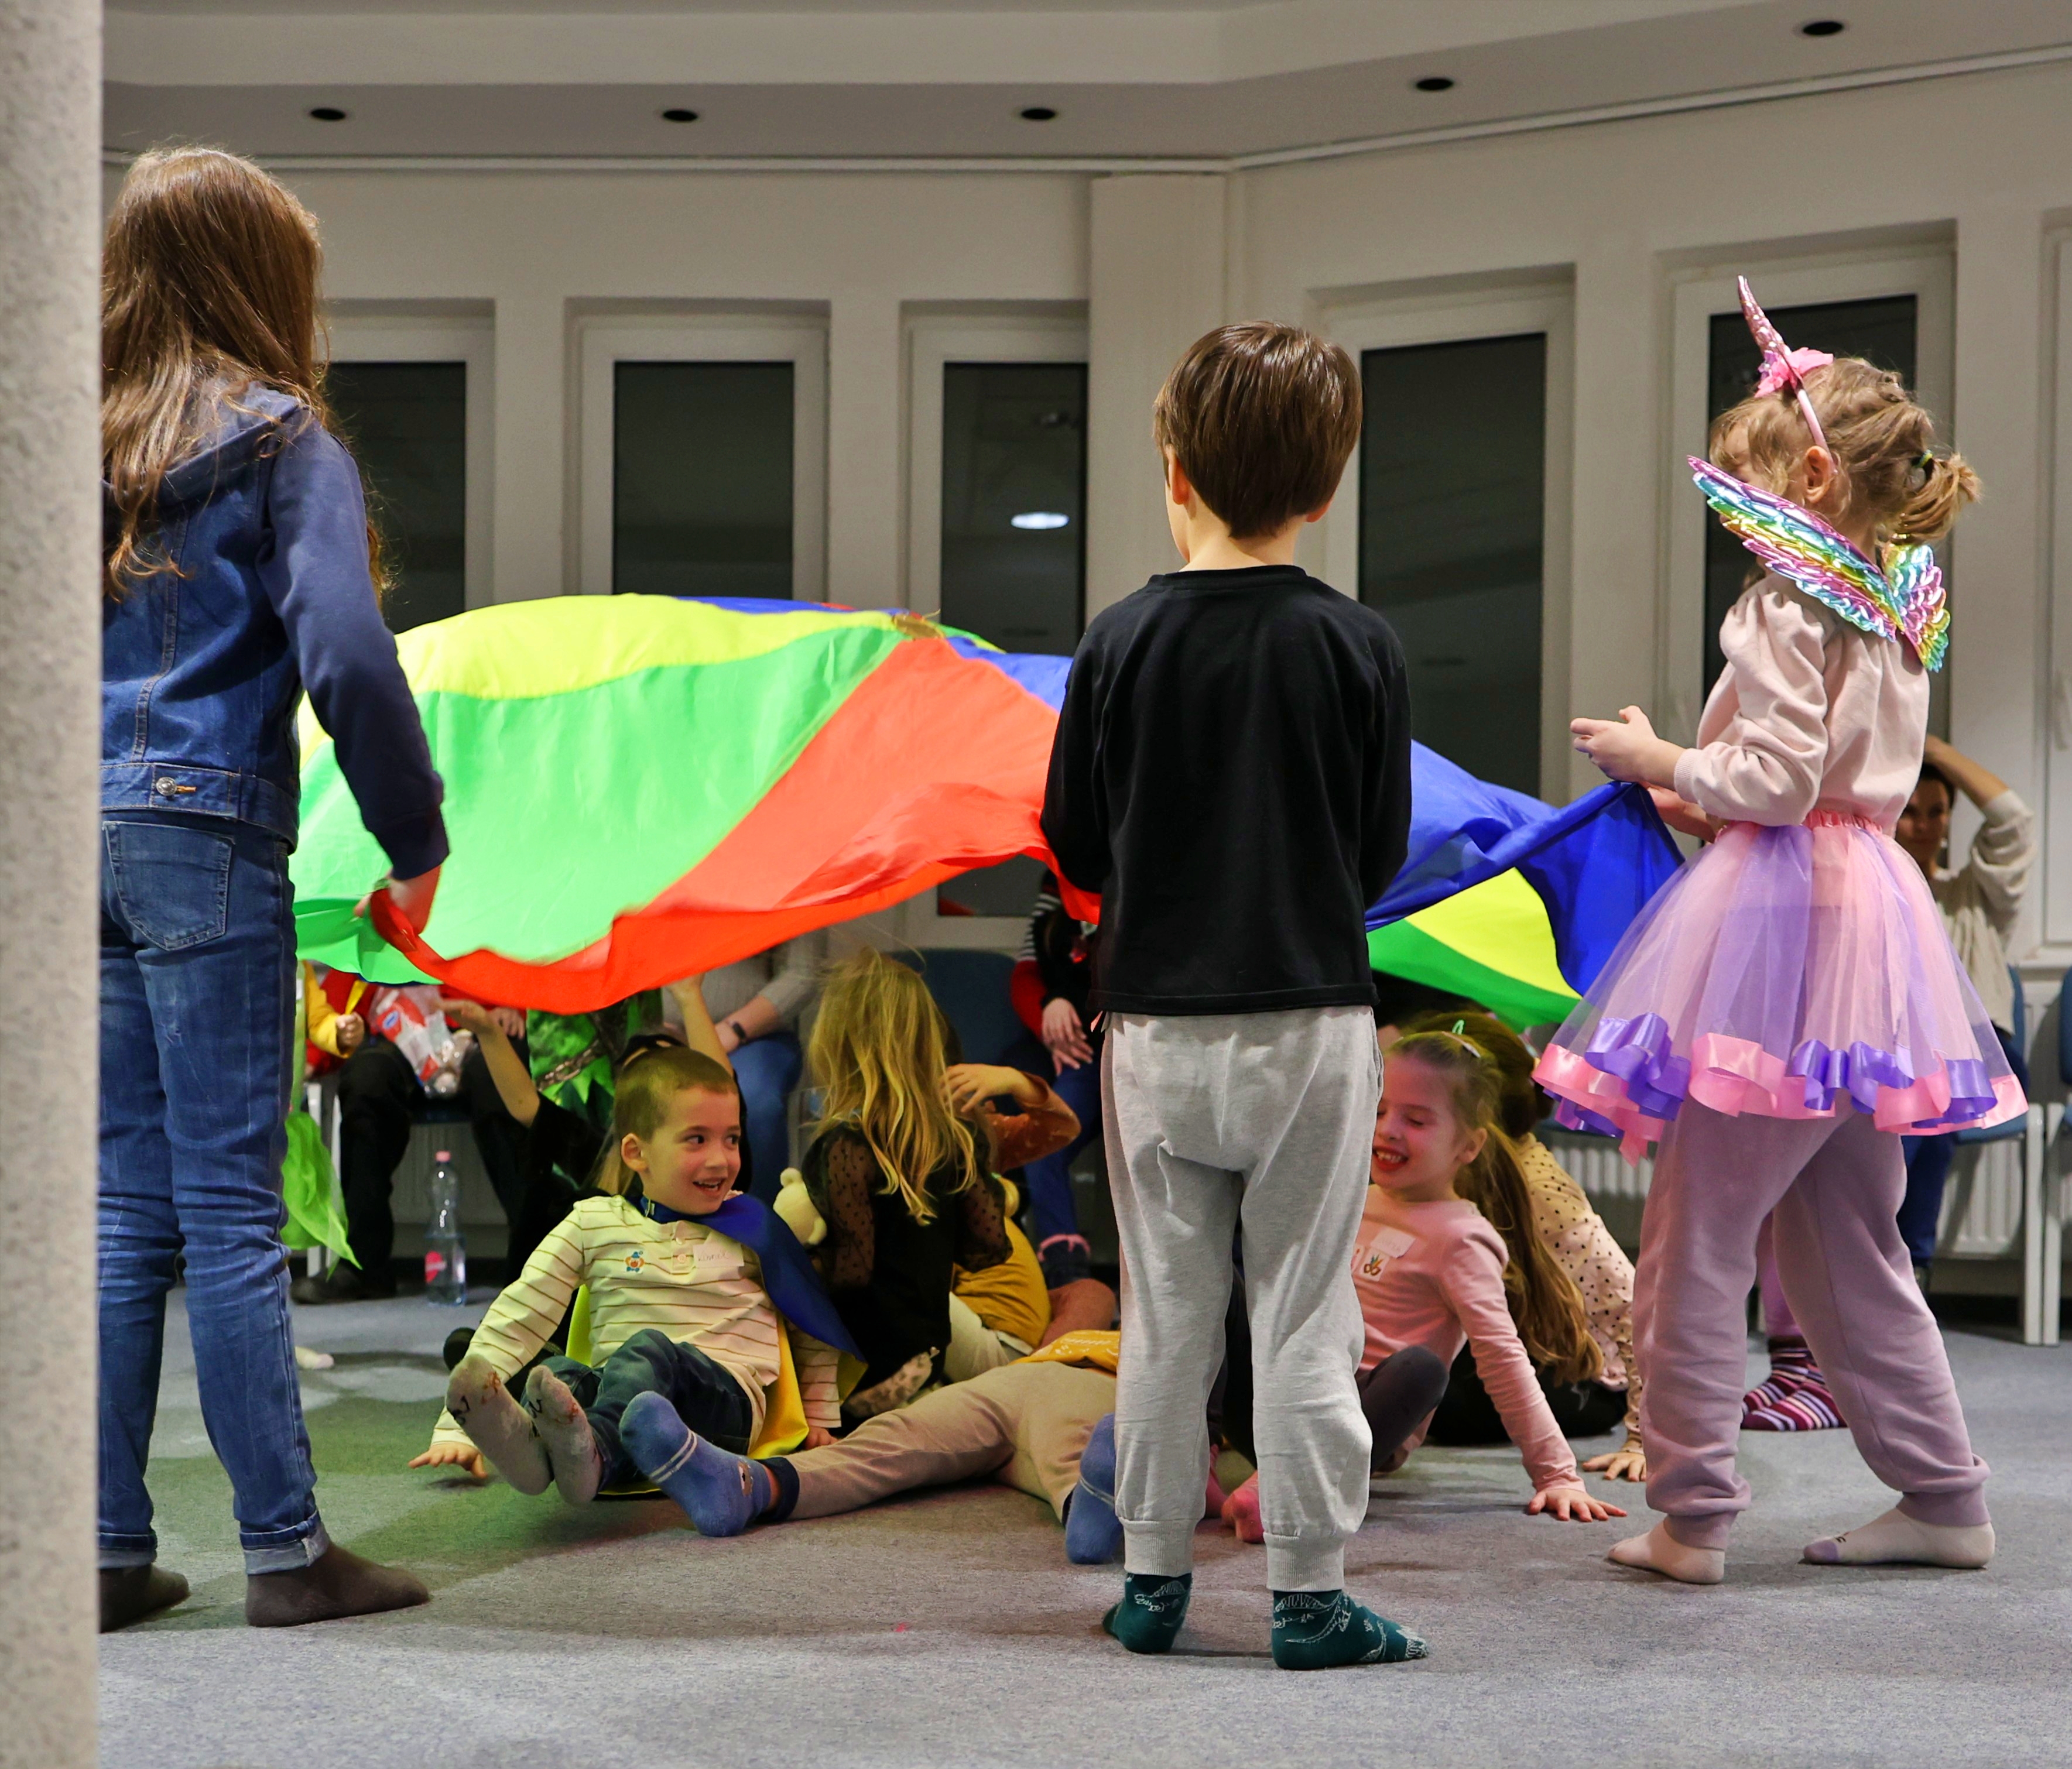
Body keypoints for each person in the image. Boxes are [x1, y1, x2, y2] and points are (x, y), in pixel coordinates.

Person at [1539, 280, 2009, 1583]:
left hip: (1784, 928)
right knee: (1848, 1238)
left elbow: (1780, 783)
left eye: (1744, 484)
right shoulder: (1891, 598)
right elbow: (1827, 785)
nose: (1735, 516)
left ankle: (1690, 1513)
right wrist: (1684, 775)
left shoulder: (1781, 602)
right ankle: (1943, 1496)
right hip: (1865, 927)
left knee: (1693, 1234)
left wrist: (1657, 757)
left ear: (1806, 476)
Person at [97, 148, 446, 1631]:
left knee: (120, 1208)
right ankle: (287, 1549)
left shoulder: (77, 446)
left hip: (73, 839)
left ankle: (98, 1553)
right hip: (207, 834)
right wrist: (414, 838)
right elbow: (350, 653)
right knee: (233, 1210)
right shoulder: (284, 440)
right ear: (264, 283)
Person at [1041, 321, 1422, 1670]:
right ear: (1326, 487)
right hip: (1309, 1022)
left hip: (1151, 1025)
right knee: (1305, 1311)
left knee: (1165, 1311)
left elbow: (1074, 843)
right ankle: (1307, 1597)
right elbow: (1377, 850)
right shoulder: (1357, 643)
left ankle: (1151, 1582)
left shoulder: (1115, 641)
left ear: (1173, 470)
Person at [1221, 1027, 1626, 1540]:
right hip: (1288, 1395)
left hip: (1362, 1419)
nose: (1387, 1130)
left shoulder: (1461, 1240)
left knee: (1421, 1369)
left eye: (1415, 1120)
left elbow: (1502, 1359)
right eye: (1379, 1110)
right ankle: (1197, 1460)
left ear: (1468, 1145)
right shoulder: (1353, 1197)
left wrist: (1557, 1475)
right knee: (1221, 1288)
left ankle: (1284, 1485)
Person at [1741, 736, 2035, 1429]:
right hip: (1873, 1051)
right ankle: (1806, 1355)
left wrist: (1925, 745)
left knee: (1879, 1137)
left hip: (1964, 1056)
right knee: (1804, 1138)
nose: (1924, 825)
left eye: (1937, 812)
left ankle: (1851, 1336)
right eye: (1912, 811)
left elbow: (2012, 820)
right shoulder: (1853, 885)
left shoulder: (1968, 896)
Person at [419, 1038, 853, 1503]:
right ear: (636, 1153)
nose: (721, 1159)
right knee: (559, 1375)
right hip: (622, 1398)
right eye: (697, 1139)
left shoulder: (755, 1225)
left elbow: (809, 1324)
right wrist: (454, 1427)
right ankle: (535, 1458)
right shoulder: (592, 1223)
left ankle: (594, 1454)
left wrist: (819, 1419)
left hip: (723, 1411)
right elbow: (520, 1313)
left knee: (648, 1350)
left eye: (731, 1138)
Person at [1400, 1009, 1648, 1482]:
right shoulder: (1443, 1167)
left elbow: (1634, 1306)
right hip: (1503, 1342)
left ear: (1474, 1126)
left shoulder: (1538, 1192)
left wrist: (1645, 1439)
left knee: (1436, 1397)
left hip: (1581, 1381)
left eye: (1415, 1116)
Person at [639, 1332, 1133, 1559]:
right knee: (889, 1438)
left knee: (1068, 1449)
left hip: (1096, 1379)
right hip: (1030, 1376)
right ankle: (745, 1486)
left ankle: (1090, 1507)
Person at [798, 948, 1016, 1417]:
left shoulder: (845, 1145)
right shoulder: (957, 1138)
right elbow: (987, 1247)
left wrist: (798, 1261)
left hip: (865, 1372)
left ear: (836, 1044)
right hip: (928, 1356)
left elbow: (852, 1275)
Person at [291, 966, 534, 1300]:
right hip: (400, 1034)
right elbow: (344, 982)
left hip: (479, 1023)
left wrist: (516, 1006)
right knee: (366, 1081)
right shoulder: (379, 929)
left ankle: (535, 1263)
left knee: (502, 1088)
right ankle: (365, 1267)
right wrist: (309, 1059)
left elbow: (518, 951)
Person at [679, 937, 824, 1204]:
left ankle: (761, 1214)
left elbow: (803, 975)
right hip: (671, 1031)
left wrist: (735, 1029)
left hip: (756, 1035)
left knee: (751, 1102)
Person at [1020, 872, 1100, 1284]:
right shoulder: (1052, 923)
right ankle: (1064, 1269)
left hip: (1141, 1055)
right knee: (1042, 1141)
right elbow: (1032, 975)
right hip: (1085, 1056)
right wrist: (1052, 1006)